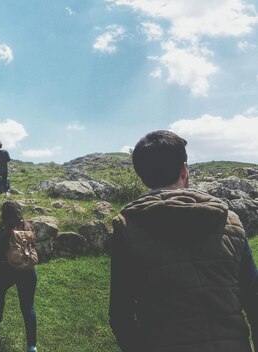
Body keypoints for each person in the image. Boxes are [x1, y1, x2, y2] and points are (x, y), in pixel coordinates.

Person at [109, 130, 258, 352]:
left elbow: (121, 315)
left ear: (142, 176)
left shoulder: (127, 227)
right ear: (184, 170)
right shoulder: (230, 221)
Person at [0, 200, 38, 352]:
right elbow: (33, 245)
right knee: (28, 307)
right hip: (28, 269)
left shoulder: (3, 228)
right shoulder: (28, 226)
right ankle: (32, 345)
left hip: (7, 268)